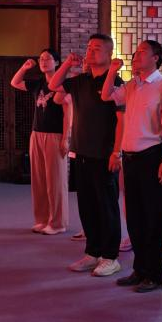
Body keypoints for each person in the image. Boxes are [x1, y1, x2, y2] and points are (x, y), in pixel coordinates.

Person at [49, 34, 125, 277]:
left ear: (109, 54)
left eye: (97, 48)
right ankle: (93, 252)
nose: (91, 51)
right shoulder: (80, 80)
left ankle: (110, 257)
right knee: (87, 205)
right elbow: (53, 86)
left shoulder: (115, 81)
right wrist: (67, 64)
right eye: (90, 47)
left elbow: (121, 120)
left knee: (106, 206)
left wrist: (117, 151)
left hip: (104, 153)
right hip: (82, 151)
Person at [101, 40, 162, 292]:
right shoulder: (132, 85)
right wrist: (112, 70)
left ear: (156, 57)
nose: (136, 54)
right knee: (135, 217)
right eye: (136, 51)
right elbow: (106, 95)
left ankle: (154, 274)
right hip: (130, 158)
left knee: (153, 218)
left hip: (153, 155)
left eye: (142, 51)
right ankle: (139, 269)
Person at [9, 49, 72, 235]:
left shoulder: (62, 83)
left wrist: (66, 138)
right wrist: (24, 67)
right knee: (39, 180)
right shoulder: (38, 83)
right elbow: (15, 82)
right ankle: (43, 219)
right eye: (41, 58)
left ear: (57, 62)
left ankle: (58, 223)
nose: (43, 61)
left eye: (48, 58)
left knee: (55, 181)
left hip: (55, 135)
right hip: (36, 134)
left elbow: (68, 112)